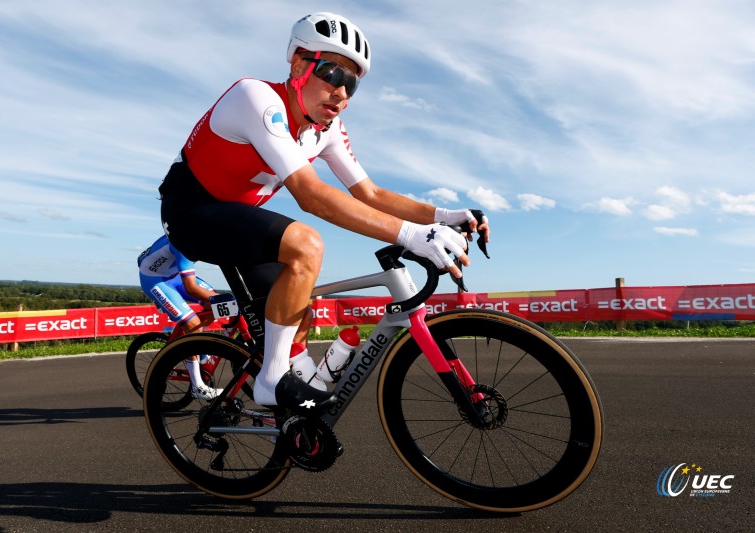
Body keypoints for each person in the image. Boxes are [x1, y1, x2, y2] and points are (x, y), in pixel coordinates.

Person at [158, 12, 491, 410]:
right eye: (333, 74)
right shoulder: (256, 98)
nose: (342, 92)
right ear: (298, 65)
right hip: (190, 210)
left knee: (300, 306)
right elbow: (311, 194)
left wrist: (443, 217)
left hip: (238, 222)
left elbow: (371, 193)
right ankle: (271, 382)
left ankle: (293, 415)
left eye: (352, 84)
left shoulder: (326, 131)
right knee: (306, 245)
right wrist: (410, 235)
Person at [137, 234, 222, 400]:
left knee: (216, 305)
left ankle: (200, 352)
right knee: (193, 325)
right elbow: (191, 288)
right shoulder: (186, 241)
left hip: (174, 275)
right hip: (155, 280)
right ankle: (197, 387)